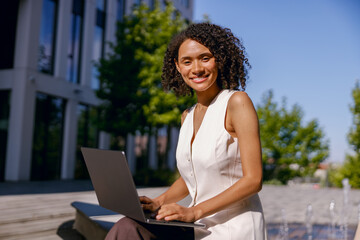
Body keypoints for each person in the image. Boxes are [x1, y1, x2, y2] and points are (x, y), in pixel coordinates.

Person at [106, 22, 267, 240]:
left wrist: (193, 211)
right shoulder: (187, 116)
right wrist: (158, 202)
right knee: (128, 227)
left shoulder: (236, 102)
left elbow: (253, 180)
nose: (197, 69)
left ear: (219, 59)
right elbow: (191, 176)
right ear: (178, 66)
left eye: (205, 58)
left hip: (232, 228)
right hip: (197, 226)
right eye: (187, 61)